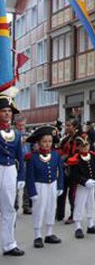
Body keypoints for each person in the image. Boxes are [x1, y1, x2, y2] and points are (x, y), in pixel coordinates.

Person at [25, 126, 64, 248]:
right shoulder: (33, 157)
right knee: (38, 210)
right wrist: (32, 192)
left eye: (50, 141)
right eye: (44, 141)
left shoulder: (56, 155)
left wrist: (60, 186)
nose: (47, 144)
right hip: (39, 186)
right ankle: (37, 235)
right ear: (38, 142)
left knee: (51, 208)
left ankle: (49, 233)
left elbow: (60, 171)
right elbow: (29, 176)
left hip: (52, 185)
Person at [0, 93, 26, 256]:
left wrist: (21, 177)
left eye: (9, 111)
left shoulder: (16, 134)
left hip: (9, 170)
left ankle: (9, 244)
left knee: (9, 208)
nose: (7, 114)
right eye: (3, 110)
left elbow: (20, 157)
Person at [67, 135, 95, 238]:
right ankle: (78, 226)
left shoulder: (93, 156)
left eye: (86, 145)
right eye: (82, 146)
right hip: (81, 186)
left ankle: (91, 224)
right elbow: (74, 175)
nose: (85, 147)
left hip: (92, 184)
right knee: (79, 204)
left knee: (91, 203)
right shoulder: (75, 159)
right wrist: (84, 181)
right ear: (78, 147)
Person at [56, 118, 82, 224]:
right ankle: (59, 213)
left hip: (74, 169)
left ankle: (73, 215)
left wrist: (66, 158)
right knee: (61, 191)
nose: (66, 127)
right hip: (64, 168)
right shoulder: (66, 138)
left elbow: (78, 153)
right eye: (66, 125)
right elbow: (59, 148)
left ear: (75, 127)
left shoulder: (79, 139)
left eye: (69, 125)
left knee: (73, 193)